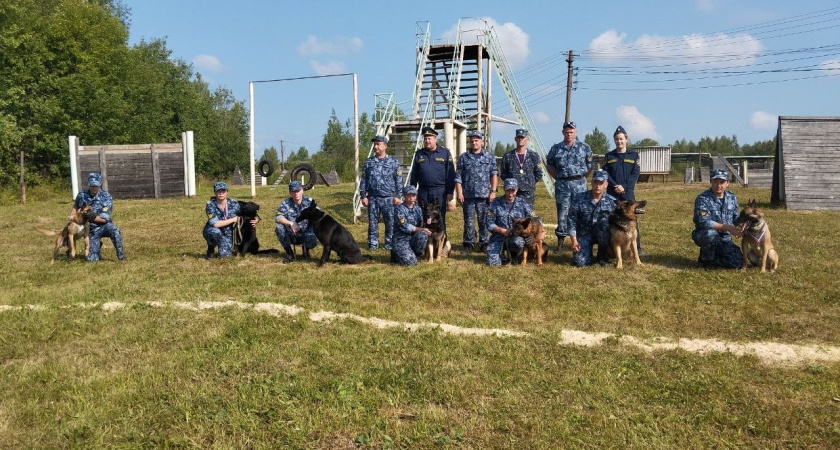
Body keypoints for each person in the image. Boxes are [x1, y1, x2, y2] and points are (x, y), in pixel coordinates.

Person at [545, 121, 594, 251]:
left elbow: (590, 167)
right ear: (563, 133)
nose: (569, 134)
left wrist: (580, 178)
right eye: (566, 132)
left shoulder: (584, 147)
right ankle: (560, 245)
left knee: (581, 213)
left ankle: (581, 242)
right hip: (562, 185)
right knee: (562, 214)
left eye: (571, 132)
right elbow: (549, 166)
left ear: (576, 132)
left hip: (579, 185)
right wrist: (559, 178)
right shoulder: (556, 148)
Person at [455, 130, 498, 252]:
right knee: (468, 221)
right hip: (468, 195)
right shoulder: (464, 157)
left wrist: (493, 191)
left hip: (484, 196)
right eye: (472, 141)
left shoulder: (489, 157)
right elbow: (458, 177)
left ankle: (484, 243)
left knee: (483, 220)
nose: (474, 143)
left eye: (476, 141)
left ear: (481, 142)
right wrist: (459, 192)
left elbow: (494, 174)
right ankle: (469, 243)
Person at [692, 168, 743, 269]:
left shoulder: (732, 197)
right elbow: (703, 222)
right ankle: (707, 260)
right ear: (711, 182)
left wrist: (744, 226)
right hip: (704, 234)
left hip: (725, 238)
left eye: (722, 182)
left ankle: (716, 257)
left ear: (727, 183)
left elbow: (736, 218)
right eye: (715, 181)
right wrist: (728, 227)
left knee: (737, 262)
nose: (718, 185)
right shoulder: (703, 199)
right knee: (711, 235)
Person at [603, 125, 642, 254]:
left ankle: (637, 249)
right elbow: (606, 174)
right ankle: (610, 248)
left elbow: (634, 174)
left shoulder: (633, 155)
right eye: (616, 139)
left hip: (628, 193)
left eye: (621, 139)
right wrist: (616, 186)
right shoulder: (609, 156)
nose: (619, 141)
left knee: (632, 220)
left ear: (626, 139)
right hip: (612, 193)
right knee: (612, 220)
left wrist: (624, 187)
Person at [484, 178, 540, 266]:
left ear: (517, 189)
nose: (510, 194)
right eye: (508, 191)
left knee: (518, 242)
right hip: (498, 236)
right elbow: (488, 223)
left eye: (513, 190)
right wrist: (502, 230)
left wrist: (541, 232)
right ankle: (500, 254)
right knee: (493, 263)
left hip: (516, 237)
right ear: (504, 189)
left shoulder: (522, 203)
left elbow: (536, 218)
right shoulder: (495, 203)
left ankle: (515, 256)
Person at [359, 135, 402, 250]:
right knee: (373, 223)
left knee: (391, 223)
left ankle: (390, 244)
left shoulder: (393, 162)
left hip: (389, 198)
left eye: (378, 144)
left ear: (385, 146)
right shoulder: (369, 162)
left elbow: (398, 180)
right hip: (373, 198)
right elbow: (364, 180)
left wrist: (398, 196)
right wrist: (363, 196)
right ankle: (373, 244)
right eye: (375, 144)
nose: (376, 146)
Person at [408, 126, 456, 229]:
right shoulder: (419, 154)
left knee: (439, 216)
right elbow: (414, 175)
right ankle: (425, 241)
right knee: (423, 215)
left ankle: (441, 241)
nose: (427, 141)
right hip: (423, 191)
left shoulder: (445, 153)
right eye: (425, 139)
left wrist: (450, 192)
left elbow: (450, 174)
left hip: (439, 191)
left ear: (435, 139)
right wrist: (412, 192)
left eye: (429, 138)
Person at [70, 172, 125, 262]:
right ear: (89, 184)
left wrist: (91, 216)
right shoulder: (82, 195)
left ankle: (121, 257)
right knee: (91, 260)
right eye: (92, 185)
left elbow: (104, 220)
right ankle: (96, 245)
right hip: (90, 230)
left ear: (100, 185)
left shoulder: (106, 196)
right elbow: (76, 206)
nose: (94, 188)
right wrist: (72, 215)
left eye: (96, 186)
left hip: (103, 226)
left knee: (115, 230)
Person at [567, 170, 616, 267]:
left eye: (601, 183)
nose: (598, 186)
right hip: (584, 233)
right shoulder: (579, 198)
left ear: (606, 184)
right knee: (580, 262)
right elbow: (571, 219)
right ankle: (587, 252)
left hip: (603, 235)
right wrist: (573, 240)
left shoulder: (612, 201)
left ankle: (602, 254)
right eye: (595, 182)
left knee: (604, 222)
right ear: (591, 182)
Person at [203, 181, 260, 259]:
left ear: (227, 192)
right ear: (215, 192)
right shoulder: (210, 204)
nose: (221, 193)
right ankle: (211, 248)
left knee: (225, 256)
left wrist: (257, 218)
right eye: (218, 191)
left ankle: (223, 248)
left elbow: (249, 208)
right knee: (214, 232)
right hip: (213, 229)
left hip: (228, 233)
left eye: (223, 191)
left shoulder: (234, 203)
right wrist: (233, 219)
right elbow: (215, 224)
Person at [274, 180, 318, 263]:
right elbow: (278, 217)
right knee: (279, 228)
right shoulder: (286, 203)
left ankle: (306, 250)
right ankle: (289, 253)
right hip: (291, 233)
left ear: (302, 190)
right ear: (290, 193)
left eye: (298, 191)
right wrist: (291, 223)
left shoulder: (310, 202)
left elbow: (318, 216)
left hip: (306, 232)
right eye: (293, 191)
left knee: (313, 235)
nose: (296, 193)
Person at [500, 128, 543, 209]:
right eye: (519, 137)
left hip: (528, 192)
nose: (520, 139)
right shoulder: (508, 156)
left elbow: (539, 173)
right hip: (511, 192)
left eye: (522, 137)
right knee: (512, 215)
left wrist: (529, 182)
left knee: (527, 216)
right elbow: (503, 173)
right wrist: (510, 184)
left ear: (527, 139)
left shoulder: (534, 155)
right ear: (515, 139)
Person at [390, 186, 432, 266]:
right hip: (401, 240)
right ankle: (396, 255)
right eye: (408, 195)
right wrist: (421, 229)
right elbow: (404, 226)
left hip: (413, 239)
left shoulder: (418, 209)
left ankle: (417, 255)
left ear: (416, 196)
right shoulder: (399, 209)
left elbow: (422, 224)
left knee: (423, 234)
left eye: (413, 195)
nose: (411, 198)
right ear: (404, 196)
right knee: (411, 263)